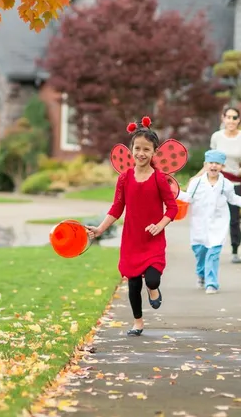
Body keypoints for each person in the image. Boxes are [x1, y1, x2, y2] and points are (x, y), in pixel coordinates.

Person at [85, 117, 178, 337]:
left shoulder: (159, 179)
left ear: (154, 152)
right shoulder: (124, 179)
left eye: (147, 149)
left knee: (152, 279)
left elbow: (172, 208)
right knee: (133, 283)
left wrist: (160, 224)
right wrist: (100, 229)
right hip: (132, 241)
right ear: (131, 150)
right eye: (137, 148)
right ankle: (138, 322)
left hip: (153, 240)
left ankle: (153, 288)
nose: (141, 153)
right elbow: (116, 209)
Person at [178, 150, 241, 294]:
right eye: (211, 163)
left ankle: (212, 283)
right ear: (205, 165)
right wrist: (174, 192)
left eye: (217, 163)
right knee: (200, 252)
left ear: (222, 166)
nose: (214, 166)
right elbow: (187, 197)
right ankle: (201, 274)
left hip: (218, 224)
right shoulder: (196, 183)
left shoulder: (226, 184)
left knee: (213, 253)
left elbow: (232, 198)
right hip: (199, 224)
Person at [210, 106, 241, 264]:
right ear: (223, 118)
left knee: (233, 219)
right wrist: (197, 178)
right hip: (217, 182)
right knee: (214, 216)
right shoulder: (216, 137)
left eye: (234, 117)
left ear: (239, 120)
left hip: (235, 182)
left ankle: (235, 249)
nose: (231, 120)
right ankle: (212, 247)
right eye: (228, 117)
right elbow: (210, 161)